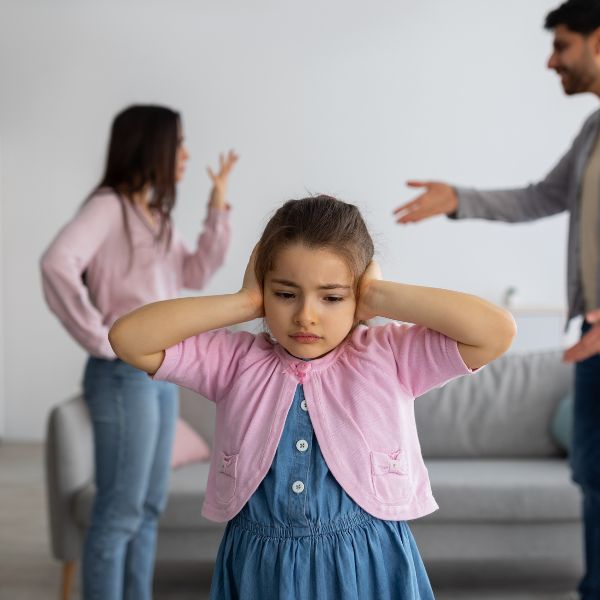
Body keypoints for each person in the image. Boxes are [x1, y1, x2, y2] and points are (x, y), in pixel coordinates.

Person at [108, 194, 516, 599]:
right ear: (264, 289)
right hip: (260, 569)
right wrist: (242, 303)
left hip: (368, 565)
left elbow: (495, 332)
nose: (306, 315)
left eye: (332, 297)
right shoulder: (234, 361)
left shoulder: (389, 355)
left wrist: (377, 295)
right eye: (286, 294)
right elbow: (128, 339)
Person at [393, 1, 600, 596]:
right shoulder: (592, 130)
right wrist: (460, 199)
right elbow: (542, 196)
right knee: (592, 475)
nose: (550, 61)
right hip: (588, 338)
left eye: (562, 46)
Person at [40, 104, 237, 600]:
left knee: (147, 509)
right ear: (152, 146)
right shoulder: (108, 207)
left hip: (160, 372)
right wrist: (101, 338)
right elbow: (56, 263)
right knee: (119, 512)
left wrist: (218, 206)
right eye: (180, 143)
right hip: (124, 375)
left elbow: (194, 274)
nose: (187, 155)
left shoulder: (155, 216)